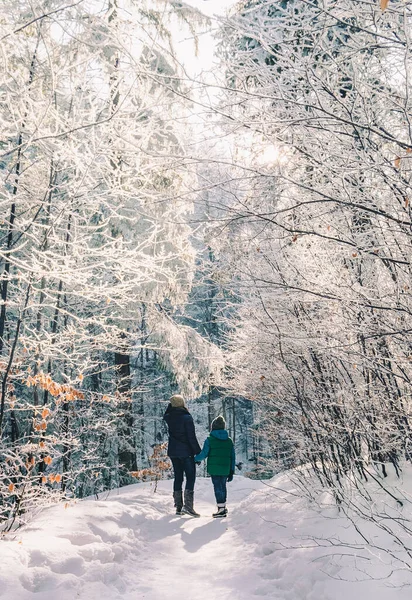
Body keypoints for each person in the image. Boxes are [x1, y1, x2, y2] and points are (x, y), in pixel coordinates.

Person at [163, 394, 201, 517]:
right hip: (186, 452)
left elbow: (167, 413)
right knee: (190, 477)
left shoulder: (169, 417)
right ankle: (188, 507)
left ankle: (178, 506)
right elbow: (191, 437)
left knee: (178, 477)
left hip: (173, 452)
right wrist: (198, 452)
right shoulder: (187, 418)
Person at [195, 415, 235, 518]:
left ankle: (221, 509)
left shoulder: (209, 440)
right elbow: (232, 457)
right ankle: (223, 507)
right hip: (226, 469)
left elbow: (204, 454)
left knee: (217, 487)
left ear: (213, 427)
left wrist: (194, 459)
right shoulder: (229, 441)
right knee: (223, 486)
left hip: (214, 468)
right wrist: (231, 470)